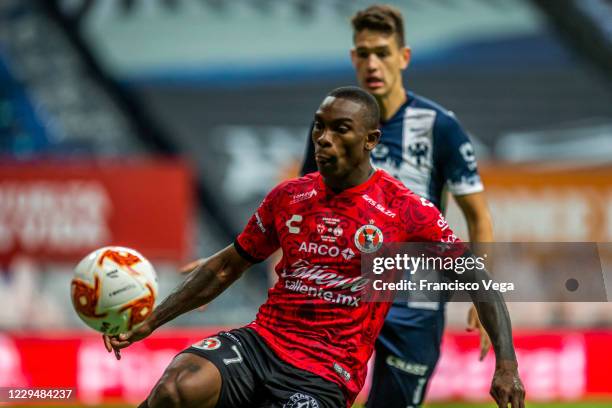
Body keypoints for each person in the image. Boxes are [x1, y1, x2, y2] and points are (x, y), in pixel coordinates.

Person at [104, 87, 524, 408]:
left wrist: (507, 364)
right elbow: (226, 267)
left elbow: (478, 280)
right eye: (319, 127)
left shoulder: (406, 210)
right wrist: (152, 321)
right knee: (178, 386)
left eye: (340, 129)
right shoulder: (289, 196)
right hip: (263, 343)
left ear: (370, 140)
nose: (323, 139)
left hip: (326, 373)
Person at [300, 5, 495, 407]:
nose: (373, 63)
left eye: (383, 52)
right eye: (364, 53)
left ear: (403, 57)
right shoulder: (331, 123)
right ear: (353, 58)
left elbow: (478, 216)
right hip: (344, 285)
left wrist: (482, 296)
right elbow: (306, 201)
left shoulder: (440, 126)